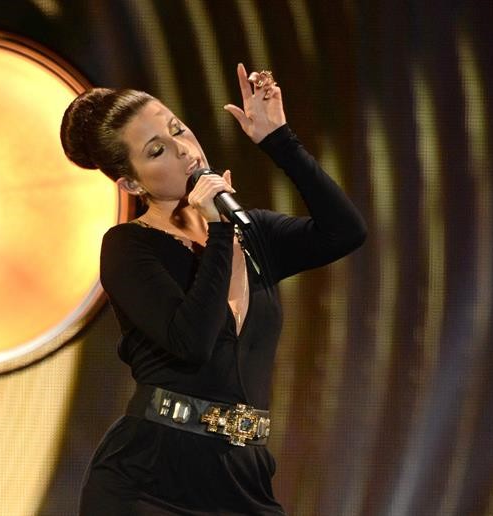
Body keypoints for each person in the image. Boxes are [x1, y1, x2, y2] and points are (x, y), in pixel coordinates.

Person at [60, 63, 367, 515]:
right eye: (157, 150)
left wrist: (279, 140)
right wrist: (220, 232)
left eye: (178, 130)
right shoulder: (129, 247)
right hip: (151, 481)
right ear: (131, 182)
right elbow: (192, 342)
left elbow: (345, 232)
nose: (185, 151)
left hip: (243, 476)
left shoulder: (254, 232)